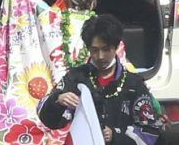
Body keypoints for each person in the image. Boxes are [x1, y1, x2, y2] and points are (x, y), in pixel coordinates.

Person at [37, 12, 162, 145]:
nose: (100, 56)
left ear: (116, 46)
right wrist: (58, 101)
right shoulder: (76, 77)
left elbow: (150, 131)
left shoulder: (133, 84)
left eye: (106, 49)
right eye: (94, 50)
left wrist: (115, 135)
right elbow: (47, 117)